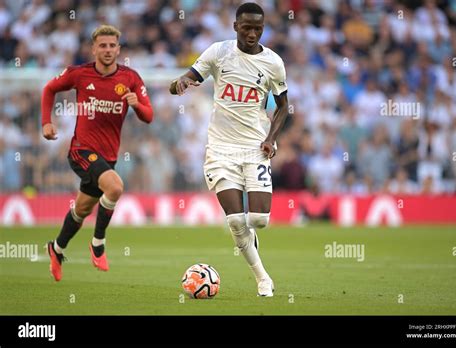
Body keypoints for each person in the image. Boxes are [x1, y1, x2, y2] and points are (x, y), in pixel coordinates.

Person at [170, 2, 289, 297]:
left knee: (258, 220)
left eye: (257, 28)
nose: (252, 33)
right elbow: (185, 80)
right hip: (220, 149)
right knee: (236, 221)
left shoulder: (273, 62)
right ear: (235, 26)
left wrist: (271, 139)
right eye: (246, 27)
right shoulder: (218, 52)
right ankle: (263, 279)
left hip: (254, 147)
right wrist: (180, 84)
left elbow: (284, 106)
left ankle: (251, 242)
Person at [41, 25, 153, 281]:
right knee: (115, 188)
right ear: (93, 49)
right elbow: (49, 89)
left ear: (119, 49)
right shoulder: (79, 74)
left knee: (81, 210)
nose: (107, 50)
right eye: (102, 45)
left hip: (107, 157)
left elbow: (149, 116)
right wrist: (45, 122)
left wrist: (137, 107)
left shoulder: (131, 79)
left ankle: (56, 248)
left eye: (112, 45)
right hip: (81, 150)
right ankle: (98, 243)